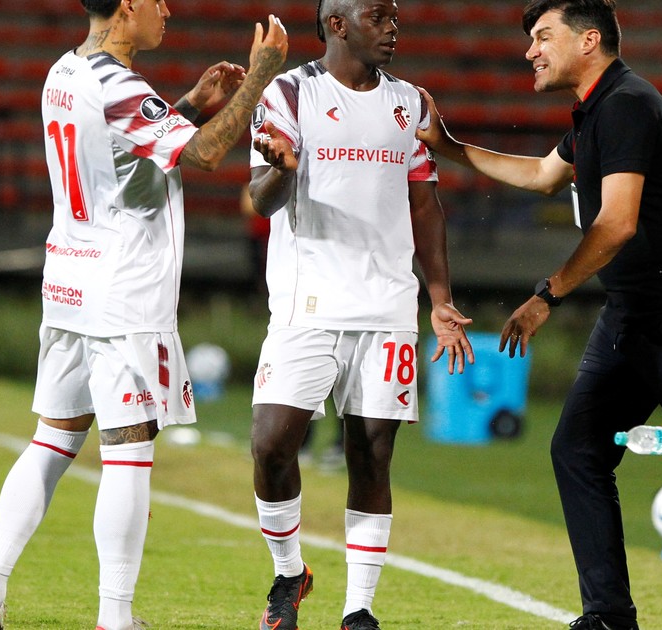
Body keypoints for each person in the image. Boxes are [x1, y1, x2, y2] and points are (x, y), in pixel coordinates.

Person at [414, 2, 662, 629]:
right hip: (632, 315)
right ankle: (608, 616)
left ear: (588, 40)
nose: (530, 51)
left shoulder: (627, 105)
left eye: (543, 37)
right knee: (578, 449)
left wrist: (547, 295)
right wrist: (451, 147)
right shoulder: (597, 111)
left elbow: (617, 222)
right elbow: (543, 175)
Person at [0, 2, 289, 629]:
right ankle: (115, 616)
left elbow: (123, 158)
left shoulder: (62, 71)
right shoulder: (119, 85)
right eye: (156, 0)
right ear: (127, 6)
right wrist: (261, 76)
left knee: (53, 440)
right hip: (124, 292)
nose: (167, 10)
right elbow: (205, 156)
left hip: (70, 277)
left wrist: (189, 105)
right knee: (127, 450)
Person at [247, 1, 474, 628]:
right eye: (378, 16)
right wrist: (282, 170)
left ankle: (359, 609)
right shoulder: (289, 94)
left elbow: (424, 205)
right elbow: (262, 198)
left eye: (394, 16)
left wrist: (440, 298)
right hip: (308, 302)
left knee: (372, 453)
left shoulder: (411, 103)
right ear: (338, 24)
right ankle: (289, 573)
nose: (392, 27)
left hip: (388, 305)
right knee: (271, 444)